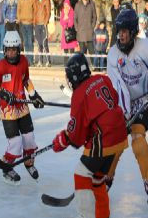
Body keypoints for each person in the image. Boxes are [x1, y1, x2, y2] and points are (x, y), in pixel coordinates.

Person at [107, 9, 148, 210]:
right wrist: (122, 112)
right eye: (119, 31)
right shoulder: (113, 54)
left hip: (141, 101)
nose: (121, 35)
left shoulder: (146, 47)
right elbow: (116, 86)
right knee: (115, 145)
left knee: (138, 141)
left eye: (125, 31)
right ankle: (104, 183)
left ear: (134, 31)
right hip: (122, 104)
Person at [52, 53, 128, 218]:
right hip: (120, 137)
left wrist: (62, 140)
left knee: (81, 175)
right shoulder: (103, 78)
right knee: (97, 180)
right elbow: (113, 101)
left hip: (104, 139)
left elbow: (75, 135)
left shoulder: (78, 95)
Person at [0, 31, 45, 184]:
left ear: (19, 49)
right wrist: (3, 93)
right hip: (8, 111)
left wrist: (34, 95)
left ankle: (29, 163)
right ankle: (7, 167)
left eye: (14, 49)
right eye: (8, 49)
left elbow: (26, 79)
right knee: (15, 143)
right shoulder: (0, 66)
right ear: (4, 50)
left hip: (22, 107)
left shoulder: (24, 62)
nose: (11, 53)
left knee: (29, 139)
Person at [17, 0, 36, 66]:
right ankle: (27, 61)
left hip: (30, 23)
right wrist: (19, 19)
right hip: (22, 23)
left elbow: (35, 9)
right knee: (25, 42)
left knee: (30, 42)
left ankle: (31, 61)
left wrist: (34, 20)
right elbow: (18, 9)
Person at [33, 0, 51, 67]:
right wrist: (34, 22)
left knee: (44, 43)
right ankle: (40, 61)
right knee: (38, 43)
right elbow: (34, 11)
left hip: (43, 24)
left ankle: (48, 61)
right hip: (37, 24)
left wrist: (46, 21)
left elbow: (48, 11)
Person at [59, 0, 78, 65]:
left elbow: (71, 23)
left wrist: (66, 19)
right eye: (65, 5)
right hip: (65, 34)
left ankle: (72, 64)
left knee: (72, 51)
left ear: (69, 5)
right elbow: (61, 23)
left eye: (67, 5)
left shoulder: (72, 11)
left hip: (71, 34)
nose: (66, 6)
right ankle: (66, 65)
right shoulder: (63, 12)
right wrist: (65, 17)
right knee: (65, 51)